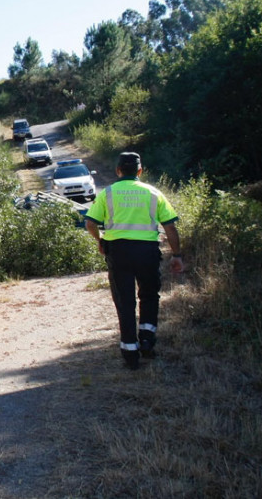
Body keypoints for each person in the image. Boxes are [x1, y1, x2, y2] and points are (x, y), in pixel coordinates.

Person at [85, 152, 183, 370]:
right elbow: (170, 227)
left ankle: (130, 353)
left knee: (125, 302)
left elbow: (90, 223)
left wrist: (100, 240)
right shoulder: (154, 192)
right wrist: (176, 255)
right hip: (147, 252)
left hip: (118, 253)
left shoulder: (108, 193)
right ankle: (147, 340)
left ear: (118, 170)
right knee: (149, 296)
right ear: (140, 171)